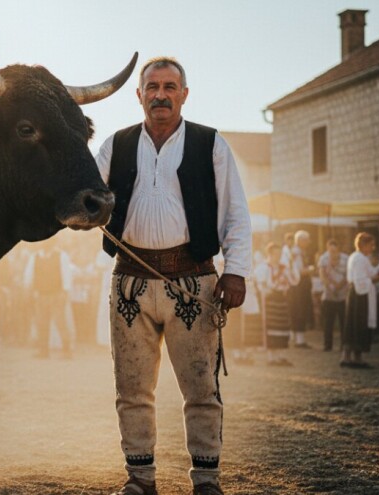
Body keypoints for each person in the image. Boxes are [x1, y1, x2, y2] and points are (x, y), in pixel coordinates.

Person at [95, 57, 251, 495]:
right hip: (130, 281)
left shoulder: (211, 143)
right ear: (139, 94)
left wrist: (235, 271)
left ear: (184, 94)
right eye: (152, 87)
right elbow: (86, 192)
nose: (160, 95)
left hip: (195, 279)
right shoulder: (114, 145)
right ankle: (140, 479)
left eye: (169, 87)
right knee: (132, 388)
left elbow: (236, 212)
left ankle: (206, 481)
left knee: (202, 387)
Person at [342, 232, 379, 368]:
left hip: (357, 293)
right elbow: (360, 279)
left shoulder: (358, 257)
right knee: (358, 324)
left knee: (352, 324)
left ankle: (348, 356)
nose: (372, 248)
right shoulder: (359, 258)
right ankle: (355, 357)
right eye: (371, 245)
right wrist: (376, 278)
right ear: (363, 245)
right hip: (359, 295)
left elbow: (370, 272)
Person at [25, 244, 75, 358]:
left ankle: (67, 351)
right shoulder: (35, 257)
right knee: (41, 323)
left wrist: (65, 291)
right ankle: (43, 351)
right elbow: (29, 275)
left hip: (57, 294)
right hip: (40, 295)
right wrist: (32, 290)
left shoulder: (61, 255)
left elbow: (66, 274)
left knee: (61, 323)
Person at [254, 243, 295, 366]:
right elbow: (261, 284)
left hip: (281, 297)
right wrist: (267, 291)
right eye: (275, 254)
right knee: (271, 327)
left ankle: (281, 356)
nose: (278, 256)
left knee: (282, 327)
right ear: (270, 254)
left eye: (279, 254)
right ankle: (272, 358)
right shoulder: (264, 267)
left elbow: (292, 281)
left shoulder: (283, 268)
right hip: (270, 299)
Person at [318, 239, 348, 351]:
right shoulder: (323, 259)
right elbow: (322, 275)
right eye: (330, 250)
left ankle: (344, 344)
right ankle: (327, 345)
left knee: (343, 321)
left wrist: (340, 285)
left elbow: (348, 274)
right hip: (328, 295)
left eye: (334, 251)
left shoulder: (346, 258)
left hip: (343, 294)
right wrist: (331, 286)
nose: (332, 253)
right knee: (328, 322)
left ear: (338, 249)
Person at [288, 230, 314, 348]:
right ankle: (299, 339)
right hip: (299, 285)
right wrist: (310, 270)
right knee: (300, 310)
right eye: (306, 240)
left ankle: (297, 337)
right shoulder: (296, 253)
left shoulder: (298, 252)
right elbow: (298, 271)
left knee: (298, 310)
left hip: (299, 285)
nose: (308, 243)